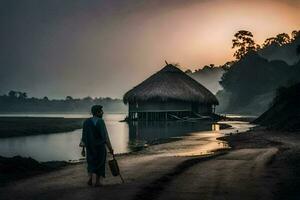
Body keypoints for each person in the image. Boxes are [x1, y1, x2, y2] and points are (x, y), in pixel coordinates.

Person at [80, 105, 114, 187]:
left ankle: (90, 178)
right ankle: (97, 182)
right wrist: (110, 148)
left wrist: (83, 148)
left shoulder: (86, 122)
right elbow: (105, 136)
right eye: (101, 111)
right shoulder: (100, 121)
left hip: (90, 147)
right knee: (100, 163)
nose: (103, 113)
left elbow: (84, 136)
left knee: (91, 162)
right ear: (98, 112)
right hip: (99, 147)